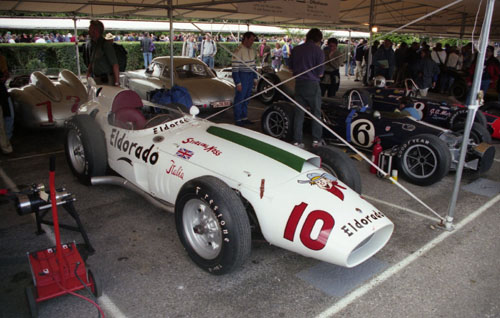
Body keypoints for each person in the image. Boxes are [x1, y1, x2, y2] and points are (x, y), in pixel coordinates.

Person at [289, 28, 325, 148]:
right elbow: (320, 74)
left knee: (299, 113)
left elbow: (290, 68)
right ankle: (316, 140)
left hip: (299, 84)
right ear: (319, 39)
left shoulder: (296, 49)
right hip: (312, 85)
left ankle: (297, 141)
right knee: (316, 113)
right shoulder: (318, 51)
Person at [232, 32, 257, 127]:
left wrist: (255, 77)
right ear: (245, 39)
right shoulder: (238, 50)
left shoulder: (251, 50)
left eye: (253, 40)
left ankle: (244, 117)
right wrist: (238, 82)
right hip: (242, 76)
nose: (252, 42)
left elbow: (254, 65)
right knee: (240, 98)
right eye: (251, 40)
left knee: (247, 98)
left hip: (250, 76)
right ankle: (238, 119)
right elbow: (235, 68)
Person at [85, 19, 120, 86]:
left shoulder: (105, 44)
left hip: (106, 80)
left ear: (96, 30)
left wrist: (117, 82)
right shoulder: (95, 44)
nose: (88, 31)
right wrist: (88, 73)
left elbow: (115, 64)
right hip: (97, 79)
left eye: (90, 29)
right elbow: (92, 62)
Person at [0, 54, 13, 154]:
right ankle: (5, 145)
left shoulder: (2, 58)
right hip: (2, 92)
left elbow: (6, 74)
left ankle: (6, 144)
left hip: (2, 92)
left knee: (8, 117)